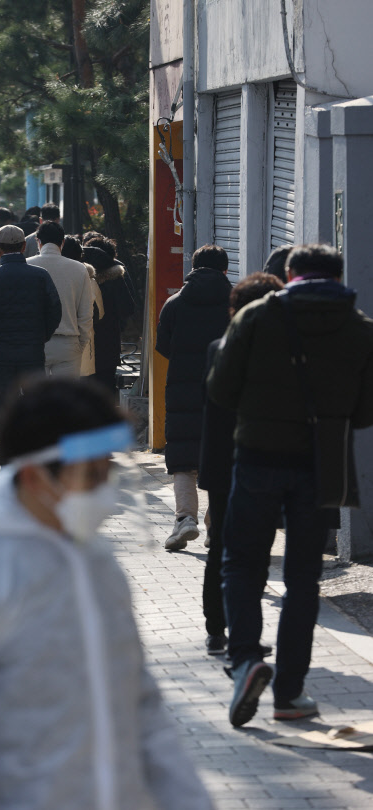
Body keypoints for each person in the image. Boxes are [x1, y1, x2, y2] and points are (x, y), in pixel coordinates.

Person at [0, 376, 213, 810]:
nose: (104, 491)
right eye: (90, 475)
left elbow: (142, 710)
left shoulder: (97, 566)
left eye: (107, 472)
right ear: (35, 477)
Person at [207, 244, 373, 727]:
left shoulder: (258, 316)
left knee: (242, 563)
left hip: (257, 456)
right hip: (323, 464)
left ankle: (245, 662)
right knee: (304, 579)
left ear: (292, 273)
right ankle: (289, 694)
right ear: (338, 277)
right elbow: (365, 412)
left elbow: (221, 389)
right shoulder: (361, 330)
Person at [198, 273, 284, 656]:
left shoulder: (218, 346)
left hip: (219, 461)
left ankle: (216, 628)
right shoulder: (283, 352)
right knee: (256, 547)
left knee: (220, 545)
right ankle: (244, 631)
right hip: (261, 461)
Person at [155, 244, 231, 551]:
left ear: (194, 267)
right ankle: (216, 526)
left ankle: (185, 520)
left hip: (183, 390)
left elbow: (163, 346)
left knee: (184, 458)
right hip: (225, 390)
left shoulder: (174, 303)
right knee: (223, 456)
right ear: (226, 269)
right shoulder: (236, 302)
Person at [0, 225, 62, 455]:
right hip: (32, 351)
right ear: (23, 246)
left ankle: (8, 460)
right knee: (35, 407)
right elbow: (54, 311)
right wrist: (42, 335)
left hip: (1, 354)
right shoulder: (40, 276)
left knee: (3, 409)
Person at [27, 221, 93, 378]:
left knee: (34, 399)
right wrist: (81, 343)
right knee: (65, 400)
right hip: (68, 342)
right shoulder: (79, 269)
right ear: (62, 242)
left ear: (38, 241)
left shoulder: (26, 266)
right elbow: (86, 313)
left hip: (32, 343)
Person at [83, 245, 135, 394]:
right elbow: (127, 309)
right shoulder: (115, 278)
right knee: (106, 386)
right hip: (109, 342)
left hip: (83, 344)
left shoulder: (79, 279)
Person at [61, 235, 104, 377]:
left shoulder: (46, 275)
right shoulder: (88, 279)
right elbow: (99, 313)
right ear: (80, 255)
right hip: (81, 344)